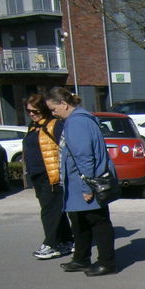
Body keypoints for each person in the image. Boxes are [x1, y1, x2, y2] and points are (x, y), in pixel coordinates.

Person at [45, 87, 117, 277]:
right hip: (78, 184)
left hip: (83, 183)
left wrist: (87, 187)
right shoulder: (81, 119)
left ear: (63, 103)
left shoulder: (77, 122)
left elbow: (84, 157)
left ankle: (106, 262)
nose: (53, 113)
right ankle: (81, 258)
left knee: (98, 222)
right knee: (79, 222)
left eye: (53, 109)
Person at [22, 94, 72, 260]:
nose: (32, 114)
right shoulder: (33, 126)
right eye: (29, 111)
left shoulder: (55, 125)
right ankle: (66, 241)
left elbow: (65, 148)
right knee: (55, 210)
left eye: (35, 111)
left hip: (51, 176)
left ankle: (50, 244)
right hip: (38, 176)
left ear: (43, 109)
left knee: (49, 212)